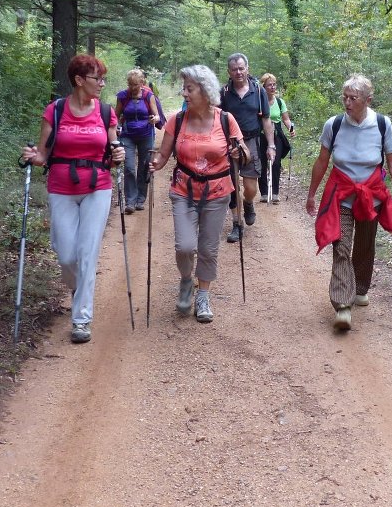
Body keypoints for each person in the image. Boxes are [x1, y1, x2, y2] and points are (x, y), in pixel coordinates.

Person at [21, 54, 125, 343]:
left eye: (103, 78)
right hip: (62, 187)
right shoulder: (54, 111)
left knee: (87, 252)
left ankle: (81, 319)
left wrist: (119, 155)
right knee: (66, 255)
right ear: (79, 80)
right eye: (97, 78)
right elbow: (43, 155)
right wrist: (33, 157)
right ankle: (78, 289)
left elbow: (114, 153)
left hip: (98, 187)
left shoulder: (106, 113)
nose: (102, 83)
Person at [305, 74, 392, 332]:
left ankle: (360, 288)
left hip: (371, 195)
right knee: (341, 246)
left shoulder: (381, 124)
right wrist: (311, 193)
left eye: (353, 98)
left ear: (367, 99)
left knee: (365, 245)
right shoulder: (333, 125)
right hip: (342, 195)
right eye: (344, 97)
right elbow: (322, 161)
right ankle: (343, 305)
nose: (347, 102)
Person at [150, 64, 248, 323]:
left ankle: (203, 295)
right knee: (185, 246)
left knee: (208, 248)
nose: (184, 93)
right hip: (184, 189)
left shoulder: (225, 120)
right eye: (184, 88)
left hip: (217, 192)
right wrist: (155, 164)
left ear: (205, 91)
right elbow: (163, 155)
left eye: (189, 88)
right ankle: (185, 280)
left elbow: (244, 153)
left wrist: (239, 153)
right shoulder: (178, 120)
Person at [219, 53, 275, 243]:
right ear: (229, 71)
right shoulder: (224, 93)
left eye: (241, 68)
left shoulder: (259, 92)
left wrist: (271, 145)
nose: (238, 72)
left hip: (251, 141)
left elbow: (266, 120)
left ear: (247, 68)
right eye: (234, 69)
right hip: (229, 143)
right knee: (232, 186)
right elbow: (216, 118)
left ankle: (249, 203)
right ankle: (237, 224)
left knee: (250, 188)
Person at [115, 68, 161, 214]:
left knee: (144, 166)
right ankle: (130, 201)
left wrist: (155, 119)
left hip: (146, 134)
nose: (132, 88)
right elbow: (115, 115)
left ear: (142, 83)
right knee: (128, 167)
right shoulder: (122, 96)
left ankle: (141, 199)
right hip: (127, 134)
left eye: (135, 84)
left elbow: (157, 115)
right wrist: (116, 126)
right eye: (130, 84)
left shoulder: (148, 96)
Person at [256, 72, 296, 203]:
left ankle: (275, 192)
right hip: (261, 135)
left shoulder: (279, 102)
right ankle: (263, 192)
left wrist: (291, 128)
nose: (273, 87)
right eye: (269, 85)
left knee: (276, 162)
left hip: (277, 134)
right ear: (264, 87)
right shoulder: (259, 101)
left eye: (274, 84)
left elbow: (286, 119)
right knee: (262, 163)